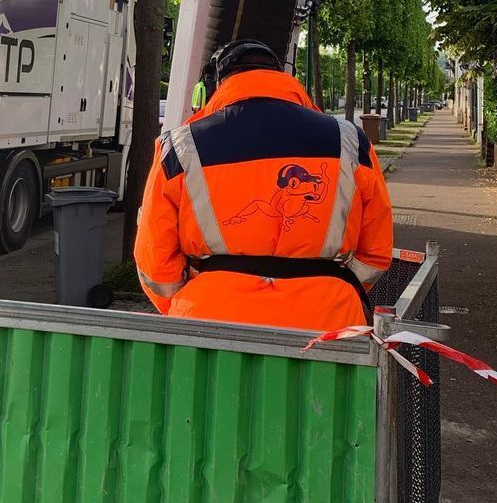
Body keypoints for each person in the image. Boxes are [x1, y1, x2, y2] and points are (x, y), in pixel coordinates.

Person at [133, 39, 393, 332]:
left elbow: (155, 259)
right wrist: (336, 291)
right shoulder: (350, 142)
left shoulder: (180, 147)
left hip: (208, 323)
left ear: (213, 86)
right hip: (328, 326)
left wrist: (189, 301)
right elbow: (376, 250)